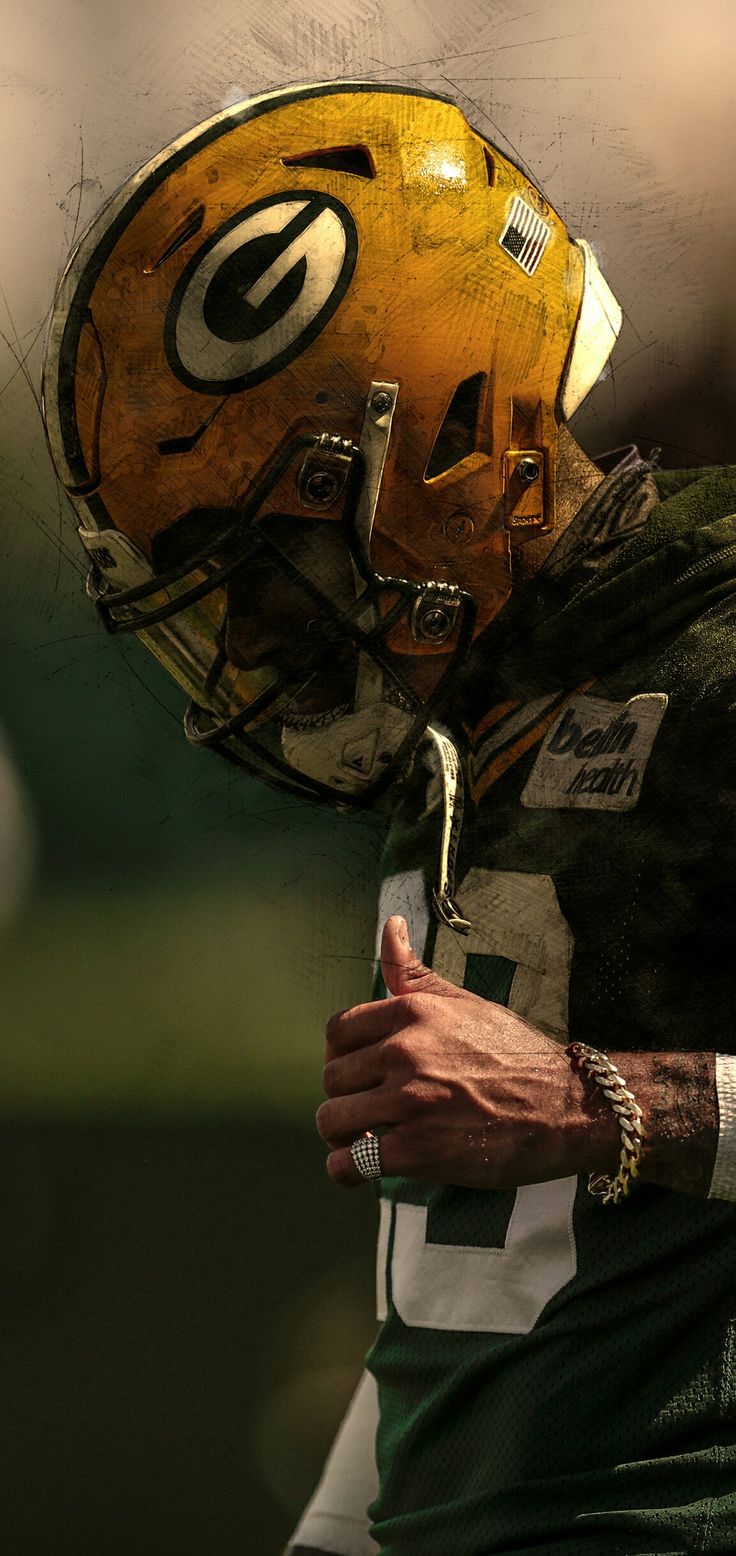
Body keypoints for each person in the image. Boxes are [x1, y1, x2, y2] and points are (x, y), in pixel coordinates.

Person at [42, 81, 736, 1556]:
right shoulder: (464, 741)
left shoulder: (717, 657)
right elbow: (459, 1317)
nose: (253, 637)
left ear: (440, 442)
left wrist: (596, 1102)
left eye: (264, 555)